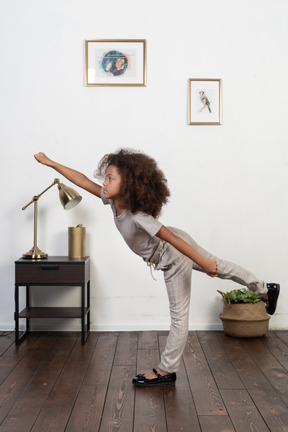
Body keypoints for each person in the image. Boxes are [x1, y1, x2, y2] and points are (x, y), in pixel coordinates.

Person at [34, 149, 280, 387]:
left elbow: (172, 240)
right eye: (106, 177)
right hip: (175, 243)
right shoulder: (112, 202)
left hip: (172, 255)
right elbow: (83, 180)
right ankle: (264, 290)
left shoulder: (138, 215)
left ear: (128, 184)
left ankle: (166, 370)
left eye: (110, 178)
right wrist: (51, 162)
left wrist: (204, 264)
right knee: (220, 266)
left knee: (179, 315)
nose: (104, 183)